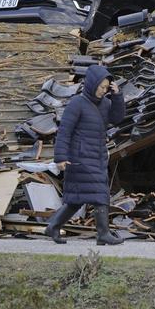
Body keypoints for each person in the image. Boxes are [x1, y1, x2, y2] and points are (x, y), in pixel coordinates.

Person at [45, 64, 125, 245]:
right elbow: (64, 131)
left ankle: (53, 226)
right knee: (99, 193)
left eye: (106, 88)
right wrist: (60, 157)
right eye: (101, 87)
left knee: (76, 199)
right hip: (79, 157)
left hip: (97, 156)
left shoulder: (105, 103)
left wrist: (117, 95)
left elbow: (117, 118)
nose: (103, 91)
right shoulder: (77, 103)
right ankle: (103, 234)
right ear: (92, 84)